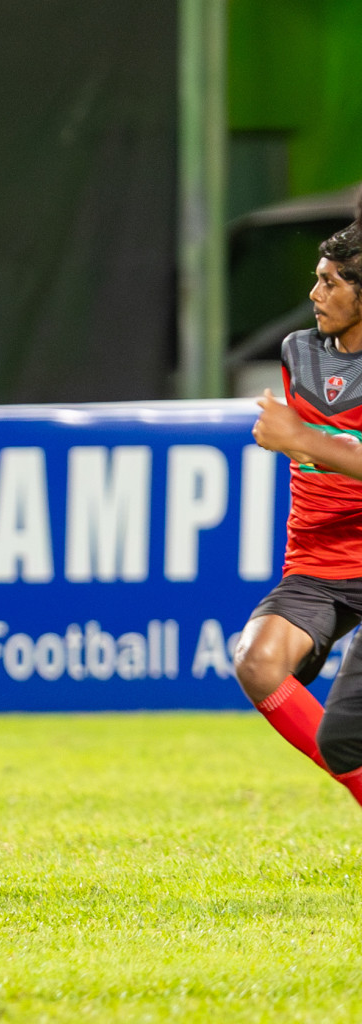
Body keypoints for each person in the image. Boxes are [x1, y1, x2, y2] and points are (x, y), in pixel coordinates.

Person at [243, 220, 362, 804]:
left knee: (348, 726)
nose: (315, 294)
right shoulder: (298, 353)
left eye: (330, 282)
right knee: (257, 661)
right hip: (316, 565)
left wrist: (301, 438)